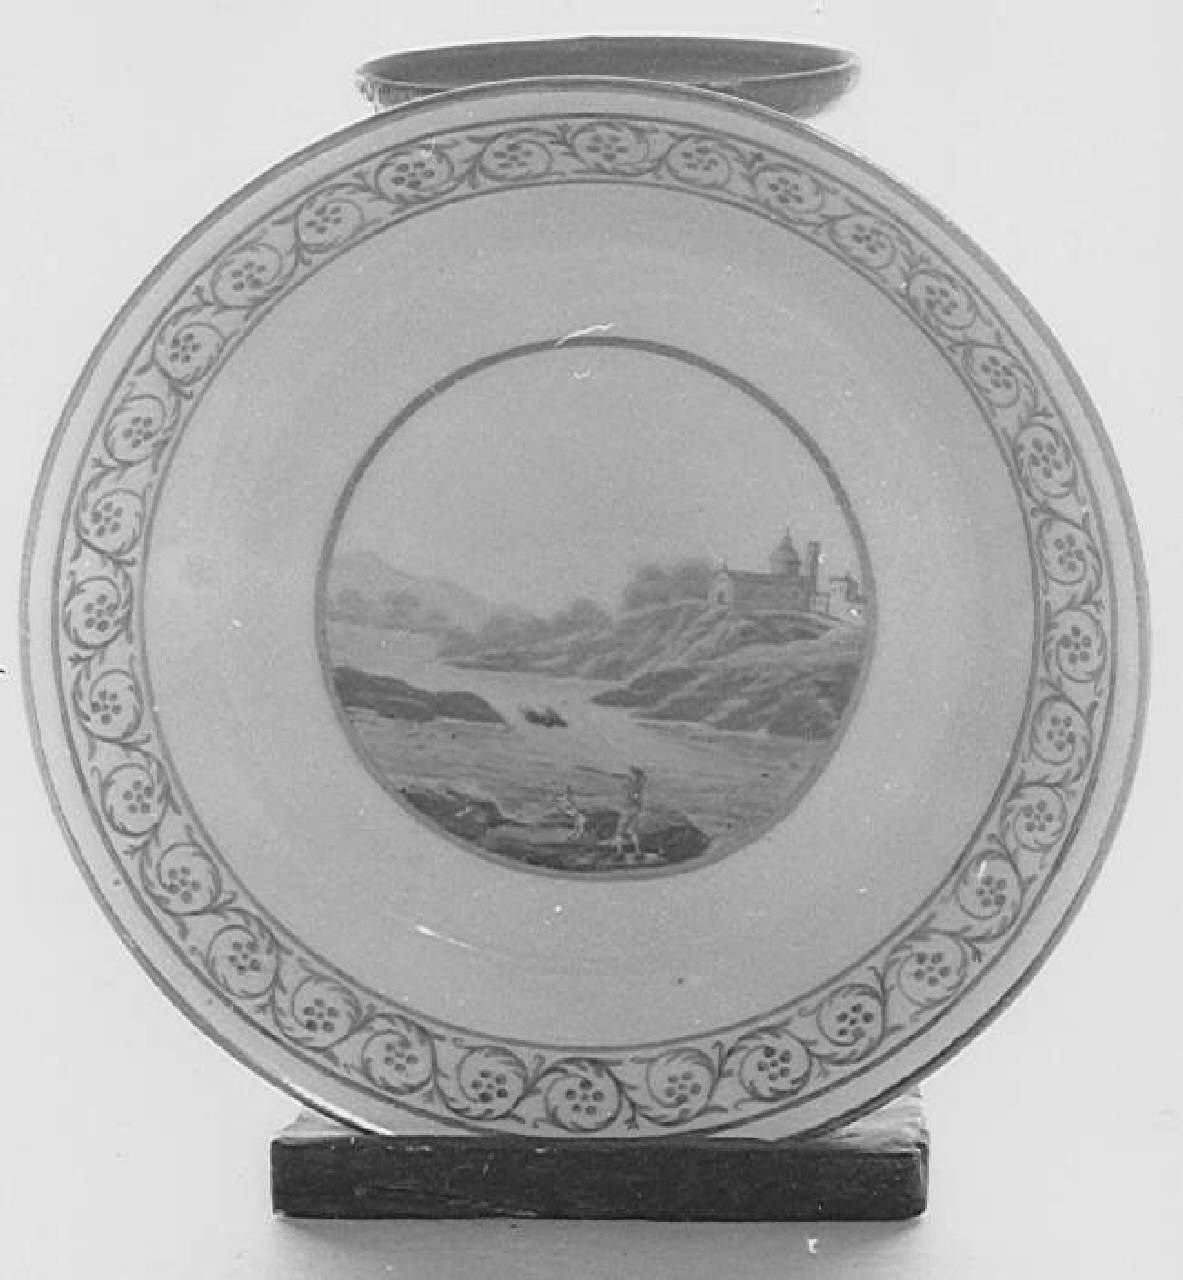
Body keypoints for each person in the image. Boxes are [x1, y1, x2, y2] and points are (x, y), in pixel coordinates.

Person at [614, 766, 647, 861]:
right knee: (633, 832)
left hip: (628, 809)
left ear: (634, 775)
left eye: (631, 773)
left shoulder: (632, 785)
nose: (629, 774)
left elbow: (634, 796)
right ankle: (638, 853)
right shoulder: (639, 784)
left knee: (619, 832)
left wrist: (632, 798)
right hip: (635, 810)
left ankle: (619, 853)